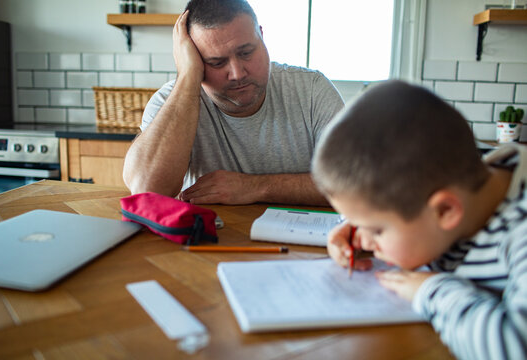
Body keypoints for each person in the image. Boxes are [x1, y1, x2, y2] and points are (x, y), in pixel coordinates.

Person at [311, 80, 527, 359]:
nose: (364, 239)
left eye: (376, 229)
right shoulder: (449, 186)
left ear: (446, 212)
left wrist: (430, 290)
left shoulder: (519, 235)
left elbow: (515, 348)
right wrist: (357, 224)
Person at [123, 0, 344, 206]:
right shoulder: (171, 100)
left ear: (262, 36)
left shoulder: (312, 89)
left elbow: (354, 182)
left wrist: (256, 187)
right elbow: (146, 190)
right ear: (195, 60)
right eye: (216, 62)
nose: (237, 73)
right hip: (207, 241)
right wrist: (188, 76)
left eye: (246, 52)